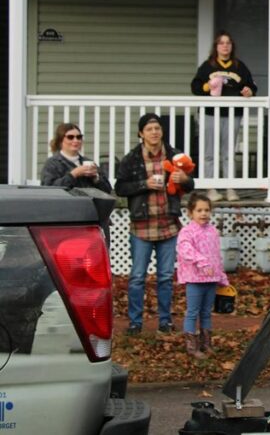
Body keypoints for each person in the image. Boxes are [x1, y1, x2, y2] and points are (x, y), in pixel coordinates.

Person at [116, 113, 194, 335]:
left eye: (157, 128)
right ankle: (135, 322)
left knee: (166, 277)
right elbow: (120, 187)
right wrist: (144, 183)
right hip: (141, 226)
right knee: (138, 277)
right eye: (149, 129)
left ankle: (165, 321)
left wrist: (184, 180)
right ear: (141, 133)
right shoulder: (132, 158)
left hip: (168, 224)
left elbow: (191, 184)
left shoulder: (175, 155)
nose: (154, 132)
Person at [190, 30, 257, 202]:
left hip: (232, 114)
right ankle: (211, 187)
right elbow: (196, 87)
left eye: (228, 43)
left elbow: (251, 86)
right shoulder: (208, 66)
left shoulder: (239, 66)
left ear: (232, 46)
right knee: (209, 152)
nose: (225, 46)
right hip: (210, 113)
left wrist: (249, 91)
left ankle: (230, 187)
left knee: (228, 152)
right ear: (216, 47)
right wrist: (208, 86)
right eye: (221, 43)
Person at [176, 193, 229, 359]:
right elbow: (184, 250)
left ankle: (206, 343)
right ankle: (192, 346)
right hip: (195, 279)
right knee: (193, 312)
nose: (203, 213)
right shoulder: (187, 232)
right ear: (190, 212)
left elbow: (216, 255)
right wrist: (201, 262)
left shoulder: (213, 231)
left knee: (206, 312)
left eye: (207, 210)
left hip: (211, 279)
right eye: (199, 210)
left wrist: (221, 276)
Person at [41, 122, 112, 192]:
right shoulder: (52, 163)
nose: (76, 140)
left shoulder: (88, 162)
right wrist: (73, 174)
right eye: (70, 137)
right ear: (60, 140)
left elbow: (108, 190)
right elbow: (48, 189)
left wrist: (96, 178)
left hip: (88, 203)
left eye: (79, 137)